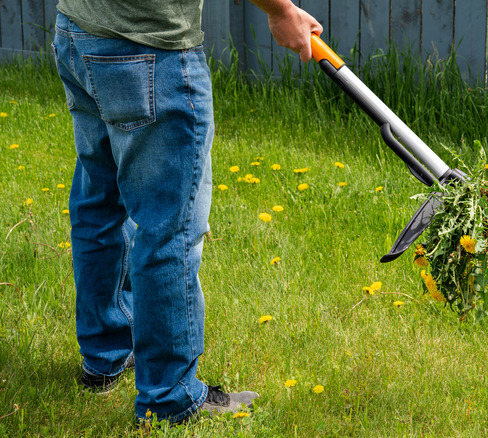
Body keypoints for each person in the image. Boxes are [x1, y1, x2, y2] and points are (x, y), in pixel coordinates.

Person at [51, 0, 322, 424]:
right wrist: (281, 10)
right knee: (168, 229)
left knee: (99, 202)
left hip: (78, 31)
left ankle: (104, 358)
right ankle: (170, 400)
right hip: (146, 45)